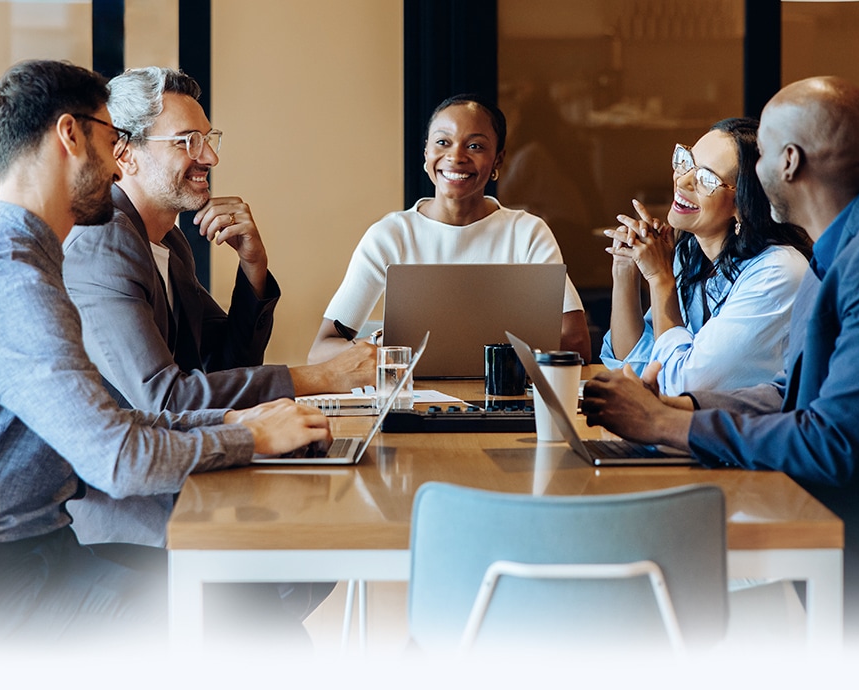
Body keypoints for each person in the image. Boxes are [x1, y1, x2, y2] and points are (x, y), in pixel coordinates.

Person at [0, 59, 330, 649]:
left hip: (36, 559)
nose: (118, 155)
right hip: (8, 595)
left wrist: (235, 418)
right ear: (72, 136)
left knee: (255, 609)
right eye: (110, 136)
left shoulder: (9, 262)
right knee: (261, 632)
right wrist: (250, 438)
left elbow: (113, 422)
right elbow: (120, 460)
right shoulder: (14, 288)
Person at [581, 76, 859, 643]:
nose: (753, 174)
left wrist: (671, 425)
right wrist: (679, 404)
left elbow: (834, 443)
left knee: (666, 606)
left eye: (758, 152)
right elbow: (789, 393)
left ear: (789, 161)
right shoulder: (846, 243)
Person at [62, 67, 372, 548]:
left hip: (186, 470)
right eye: (187, 141)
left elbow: (226, 367)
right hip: (127, 507)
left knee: (320, 531)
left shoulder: (168, 242)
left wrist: (253, 266)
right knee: (305, 547)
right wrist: (321, 377)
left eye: (208, 139)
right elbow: (166, 399)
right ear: (124, 152)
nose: (209, 156)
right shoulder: (104, 243)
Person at [308, 94, 592, 364]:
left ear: (498, 160)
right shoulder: (390, 235)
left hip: (505, 398)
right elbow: (321, 350)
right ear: (426, 153)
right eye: (443, 142)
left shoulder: (527, 233)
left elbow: (577, 342)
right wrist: (382, 347)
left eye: (475, 146)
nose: (456, 157)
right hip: (412, 400)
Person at [601, 118, 812, 395]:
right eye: (686, 162)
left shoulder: (779, 271)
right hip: (690, 431)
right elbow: (633, 366)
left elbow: (680, 383)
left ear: (743, 204)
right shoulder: (693, 255)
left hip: (754, 434)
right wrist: (625, 268)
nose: (683, 180)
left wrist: (660, 278)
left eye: (706, 178)